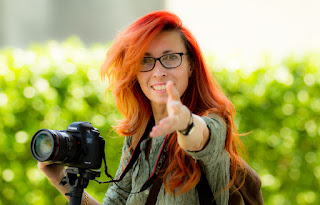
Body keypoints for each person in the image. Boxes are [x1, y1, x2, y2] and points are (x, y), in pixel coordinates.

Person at [38, 10, 246, 205]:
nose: (158, 71)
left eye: (170, 57)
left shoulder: (215, 122)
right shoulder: (139, 135)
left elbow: (199, 138)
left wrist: (185, 123)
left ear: (191, 65)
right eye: (145, 60)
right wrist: (59, 178)